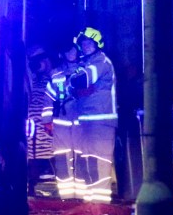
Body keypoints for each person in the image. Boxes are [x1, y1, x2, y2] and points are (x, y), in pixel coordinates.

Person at [70, 26, 118, 203]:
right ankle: (91, 201)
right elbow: (72, 85)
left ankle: (100, 203)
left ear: (97, 43)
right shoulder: (86, 64)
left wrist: (80, 85)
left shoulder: (101, 62)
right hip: (86, 122)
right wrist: (79, 86)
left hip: (101, 121)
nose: (86, 46)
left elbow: (81, 80)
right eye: (83, 43)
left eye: (89, 42)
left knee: (99, 161)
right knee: (88, 162)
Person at [46, 43, 83, 198]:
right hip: (61, 121)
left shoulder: (86, 70)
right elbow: (48, 98)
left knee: (81, 157)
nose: (70, 53)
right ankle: (66, 196)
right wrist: (47, 120)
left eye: (72, 50)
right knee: (62, 157)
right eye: (67, 50)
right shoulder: (56, 74)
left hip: (82, 122)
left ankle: (82, 195)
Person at [25, 45, 56, 196]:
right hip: (31, 126)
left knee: (46, 153)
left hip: (47, 124)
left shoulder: (52, 77)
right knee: (31, 155)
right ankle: (32, 184)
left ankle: (46, 177)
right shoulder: (32, 80)